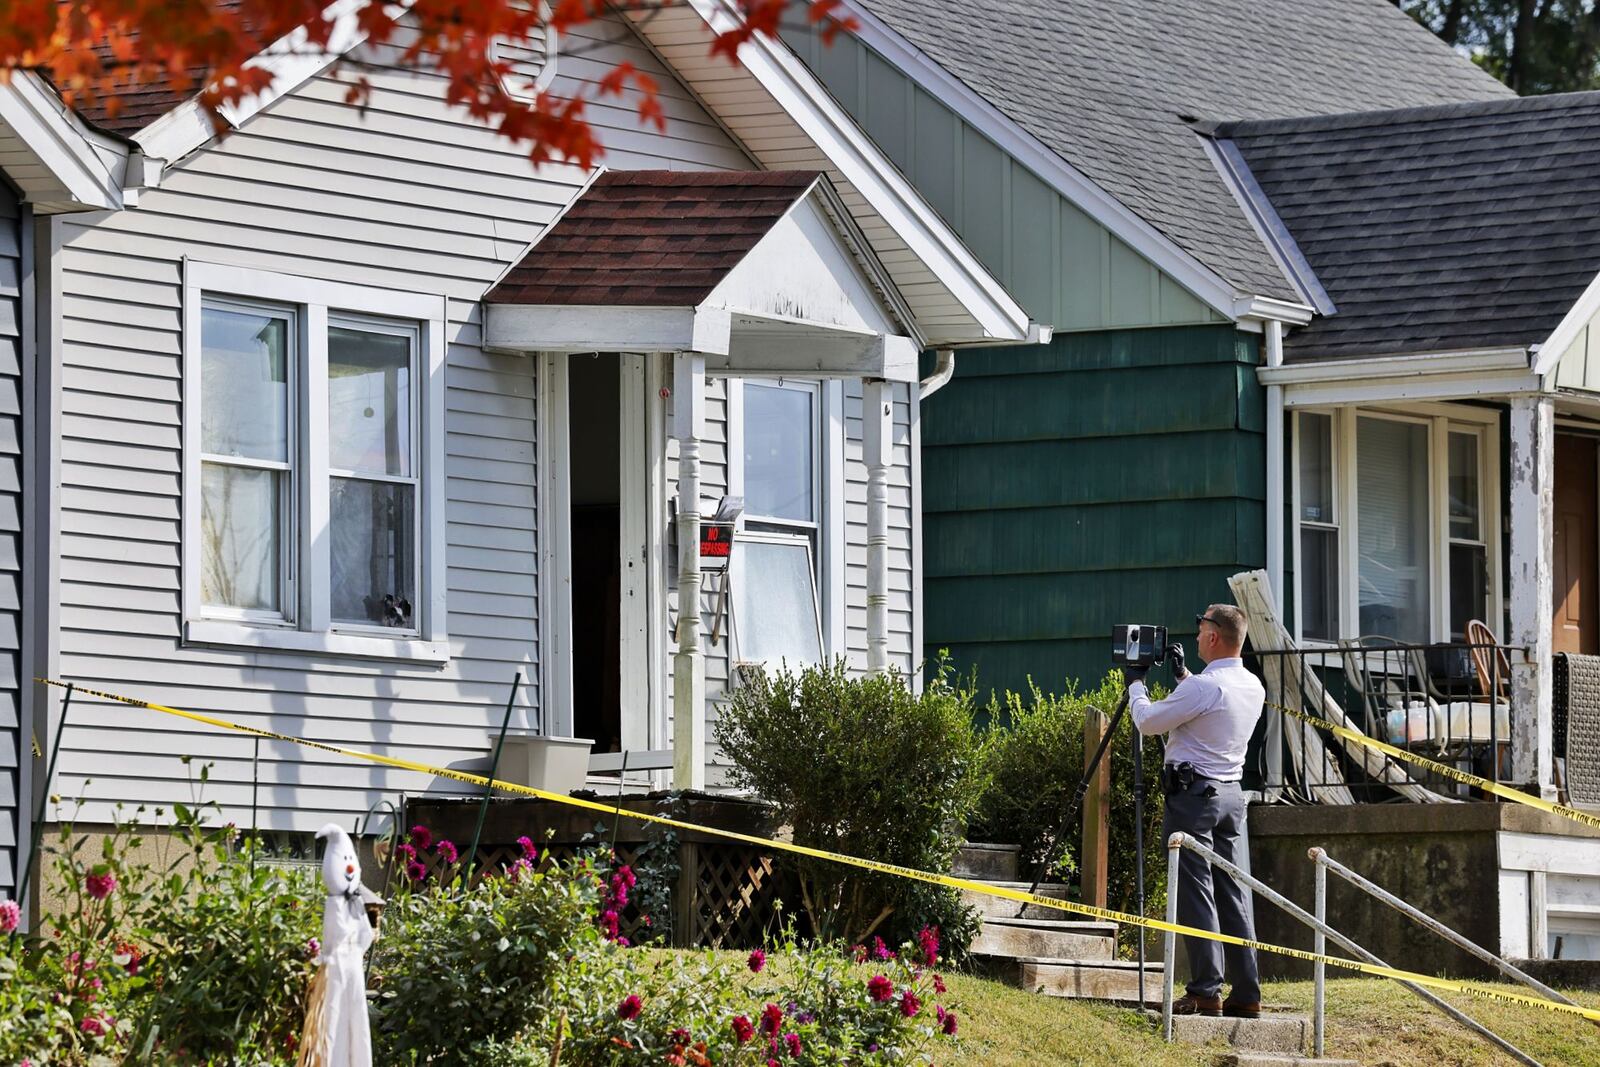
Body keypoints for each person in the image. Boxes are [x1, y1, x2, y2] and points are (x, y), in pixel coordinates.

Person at [1123, 603, 1264, 1019]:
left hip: (1193, 800)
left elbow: (1148, 721)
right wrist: (1184, 675)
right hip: (1231, 797)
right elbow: (1209, 710)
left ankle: (1205, 991)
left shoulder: (1205, 687)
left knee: (1196, 893)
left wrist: (1135, 684)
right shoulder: (1251, 686)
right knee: (1234, 894)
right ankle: (1247, 994)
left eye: (1201, 626)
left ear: (1214, 636)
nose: (1198, 633)